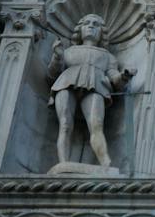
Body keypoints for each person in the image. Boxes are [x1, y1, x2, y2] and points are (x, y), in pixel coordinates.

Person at [46, 15, 133, 171]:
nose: (91, 26)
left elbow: (114, 79)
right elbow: (53, 74)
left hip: (96, 85)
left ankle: (106, 163)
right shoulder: (70, 51)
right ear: (80, 29)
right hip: (66, 83)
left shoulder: (108, 56)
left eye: (96, 24)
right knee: (65, 124)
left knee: (96, 124)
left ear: (102, 32)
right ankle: (63, 163)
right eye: (86, 23)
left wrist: (124, 77)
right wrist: (57, 56)